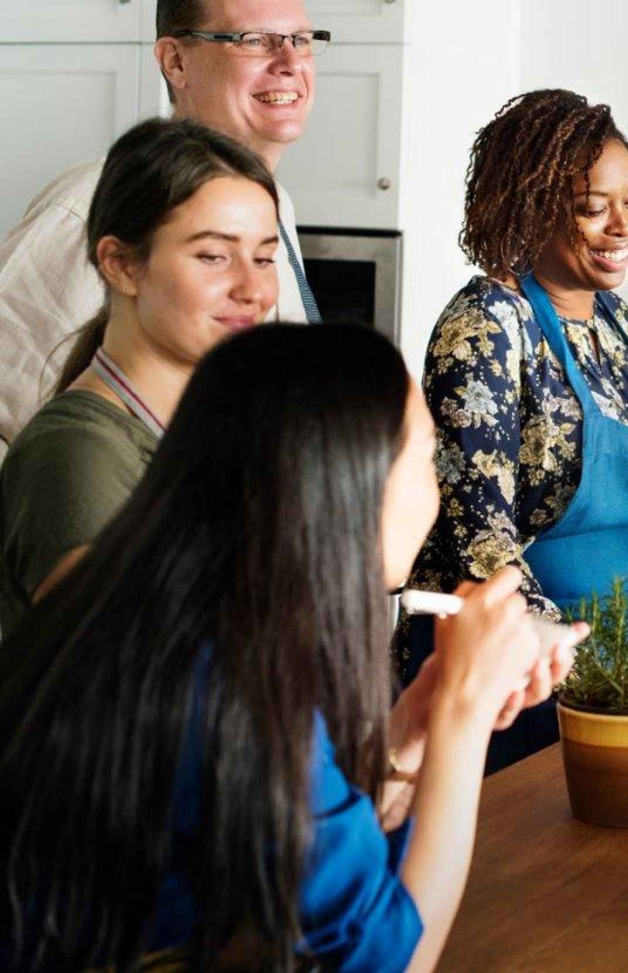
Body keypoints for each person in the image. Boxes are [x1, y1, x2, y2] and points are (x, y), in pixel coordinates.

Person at [0, 323, 577, 971]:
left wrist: (415, 729)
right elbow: (385, 959)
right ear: (350, 486)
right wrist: (464, 719)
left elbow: (305, 855)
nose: (437, 494)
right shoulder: (227, 674)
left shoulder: (176, 610)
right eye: (425, 461)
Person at [396, 89, 628, 771]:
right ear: (528, 207)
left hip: (615, 670)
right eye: (592, 207)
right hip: (516, 672)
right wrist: (566, 655)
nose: (621, 224)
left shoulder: (618, 326)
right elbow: (481, 540)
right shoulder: (485, 325)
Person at [0, 0, 324, 461]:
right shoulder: (91, 207)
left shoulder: (274, 205)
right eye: (254, 41)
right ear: (175, 61)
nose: (289, 63)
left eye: (299, 39)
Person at [0, 116, 282, 637]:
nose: (254, 289)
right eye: (215, 256)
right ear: (122, 264)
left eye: (264, 258)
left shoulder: (212, 431)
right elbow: (132, 678)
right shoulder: (76, 454)